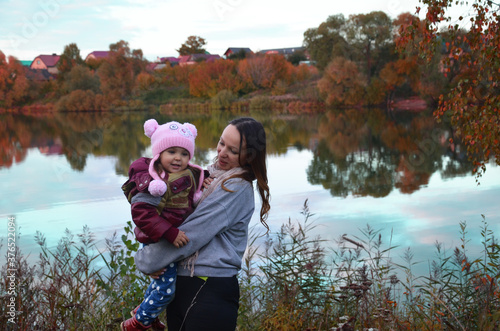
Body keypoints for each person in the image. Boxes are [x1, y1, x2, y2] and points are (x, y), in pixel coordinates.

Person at [133, 117, 271, 331]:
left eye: (233, 151)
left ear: (249, 156)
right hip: (184, 284)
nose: (222, 152)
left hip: (209, 290)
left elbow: (191, 234)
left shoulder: (235, 187)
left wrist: (148, 260)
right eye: (222, 142)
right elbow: (168, 213)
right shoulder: (206, 177)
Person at [121, 119, 206, 331]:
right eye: (172, 151)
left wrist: (206, 182)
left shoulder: (185, 174)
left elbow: (191, 188)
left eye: (184, 153)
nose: (178, 158)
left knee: (161, 282)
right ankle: (138, 323)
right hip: (158, 239)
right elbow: (142, 214)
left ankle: (144, 312)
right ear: (159, 154)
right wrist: (169, 232)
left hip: (167, 238)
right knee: (167, 290)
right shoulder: (153, 181)